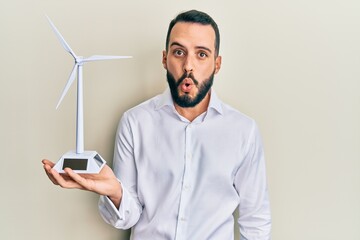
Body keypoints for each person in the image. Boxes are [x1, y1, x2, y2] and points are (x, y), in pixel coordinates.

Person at [42, 9, 271, 240]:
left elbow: (256, 222)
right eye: (179, 52)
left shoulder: (244, 131)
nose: (188, 66)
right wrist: (115, 192)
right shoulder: (135, 122)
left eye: (201, 54)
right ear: (165, 59)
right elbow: (127, 218)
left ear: (217, 64)